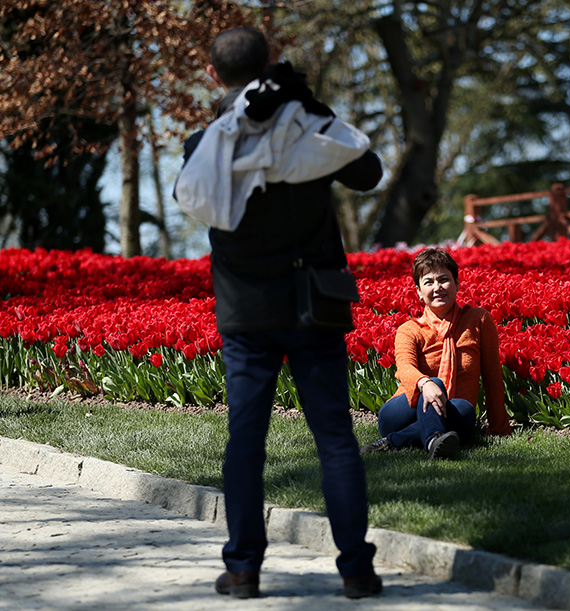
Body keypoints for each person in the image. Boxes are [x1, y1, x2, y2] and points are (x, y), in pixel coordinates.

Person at [174, 27, 382, 600]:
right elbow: (369, 172)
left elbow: (190, 194)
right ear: (272, 61)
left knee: (245, 440)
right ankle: (357, 571)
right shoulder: (311, 130)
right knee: (335, 439)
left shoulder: (205, 144)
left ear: (214, 76)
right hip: (316, 302)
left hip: (246, 312)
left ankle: (242, 569)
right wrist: (316, 111)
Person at [361, 248, 513, 459]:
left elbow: (492, 376)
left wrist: (500, 428)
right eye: (429, 282)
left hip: (452, 410)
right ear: (419, 291)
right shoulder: (410, 329)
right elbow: (404, 368)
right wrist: (426, 384)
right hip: (403, 411)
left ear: (457, 284)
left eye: (444, 280)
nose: (437, 287)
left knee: (465, 410)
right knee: (435, 384)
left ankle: (395, 441)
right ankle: (433, 438)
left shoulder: (478, 320)